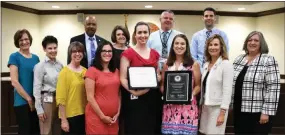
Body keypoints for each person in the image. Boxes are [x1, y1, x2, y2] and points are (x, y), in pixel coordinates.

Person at [232, 31, 280, 135]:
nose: (252, 42)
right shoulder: (239, 59)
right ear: (246, 43)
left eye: (256, 40)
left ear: (261, 43)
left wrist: (266, 112)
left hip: (257, 112)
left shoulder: (268, 60)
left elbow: (273, 88)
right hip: (239, 109)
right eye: (250, 40)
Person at [120, 21, 162, 134]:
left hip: (152, 98)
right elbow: (123, 78)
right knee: (135, 127)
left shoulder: (155, 53)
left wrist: (158, 78)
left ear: (149, 34)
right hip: (135, 99)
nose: (142, 35)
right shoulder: (128, 53)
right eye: (139, 32)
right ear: (135, 35)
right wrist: (134, 92)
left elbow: (158, 74)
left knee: (151, 127)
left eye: (145, 32)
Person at [160, 34, 201, 135]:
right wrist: (166, 94)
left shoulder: (194, 64)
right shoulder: (167, 64)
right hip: (170, 108)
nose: (179, 46)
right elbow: (162, 85)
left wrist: (189, 95)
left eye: (182, 44)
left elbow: (198, 86)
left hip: (188, 108)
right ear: (173, 46)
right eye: (177, 43)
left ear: (187, 46)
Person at [199, 34, 233, 135]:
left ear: (221, 47)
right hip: (205, 107)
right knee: (204, 132)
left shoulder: (225, 64)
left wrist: (222, 113)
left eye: (216, 45)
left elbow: (227, 91)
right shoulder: (206, 64)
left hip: (217, 108)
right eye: (210, 45)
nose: (213, 47)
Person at [8, 29, 40, 135]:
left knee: (35, 131)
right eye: (20, 40)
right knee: (25, 131)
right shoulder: (14, 57)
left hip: (36, 101)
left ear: (30, 40)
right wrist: (29, 99)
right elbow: (14, 82)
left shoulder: (36, 58)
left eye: (26, 39)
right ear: (17, 42)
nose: (24, 42)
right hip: (22, 102)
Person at [85, 41, 121, 134]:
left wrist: (118, 113)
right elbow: (90, 97)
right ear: (99, 53)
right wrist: (102, 116)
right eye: (104, 51)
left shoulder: (116, 71)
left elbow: (119, 93)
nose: (107, 53)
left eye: (110, 51)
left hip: (113, 118)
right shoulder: (92, 71)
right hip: (96, 117)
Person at [33, 35, 63, 135]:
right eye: (50, 48)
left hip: (58, 99)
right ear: (44, 49)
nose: (53, 50)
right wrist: (39, 109)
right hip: (46, 99)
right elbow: (36, 88)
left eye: (55, 48)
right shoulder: (40, 66)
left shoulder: (60, 65)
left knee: (57, 129)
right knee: (46, 130)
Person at [56, 41, 87, 135]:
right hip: (70, 116)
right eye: (74, 51)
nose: (77, 54)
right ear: (70, 54)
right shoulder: (64, 72)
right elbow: (61, 99)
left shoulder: (86, 71)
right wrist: (64, 120)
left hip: (84, 114)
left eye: (80, 51)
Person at [110, 25, 130, 135]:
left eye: (123, 34)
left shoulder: (131, 49)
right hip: (114, 86)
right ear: (115, 36)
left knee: (126, 115)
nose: (121, 36)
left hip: (128, 86)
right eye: (118, 34)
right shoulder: (110, 49)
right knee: (116, 112)